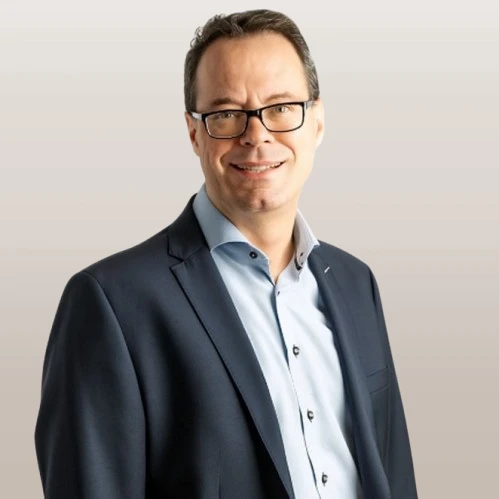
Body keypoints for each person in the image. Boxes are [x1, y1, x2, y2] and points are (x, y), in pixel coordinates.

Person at [34, 9, 418, 499]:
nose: (256, 135)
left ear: (317, 121)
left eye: (282, 107)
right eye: (227, 114)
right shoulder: (112, 304)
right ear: (194, 132)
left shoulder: (355, 283)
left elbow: (393, 476)